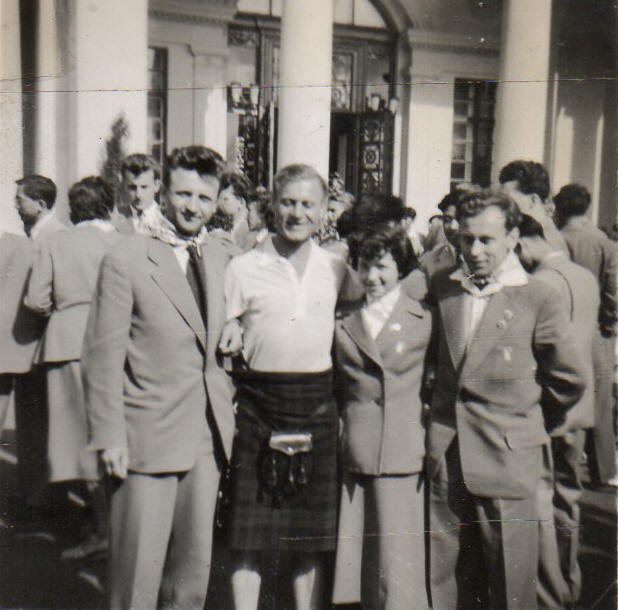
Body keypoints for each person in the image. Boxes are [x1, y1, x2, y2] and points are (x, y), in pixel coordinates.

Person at [82, 146, 237, 610]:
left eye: (204, 197)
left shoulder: (223, 254)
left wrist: (237, 327)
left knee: (190, 584)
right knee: (136, 583)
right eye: (183, 194)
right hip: (144, 440)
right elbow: (101, 358)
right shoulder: (127, 257)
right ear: (164, 192)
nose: (193, 206)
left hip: (207, 441)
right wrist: (109, 437)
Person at [427, 189, 586, 610]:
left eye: (487, 240)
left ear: (513, 236)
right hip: (449, 455)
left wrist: (526, 423)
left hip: (509, 457)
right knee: (446, 578)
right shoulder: (444, 288)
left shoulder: (538, 296)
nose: (475, 250)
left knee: (509, 584)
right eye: (466, 240)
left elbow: (570, 379)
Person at [219, 164, 352, 610]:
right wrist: (232, 325)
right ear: (272, 206)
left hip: (316, 403)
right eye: (288, 202)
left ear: (323, 211)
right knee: (247, 537)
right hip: (258, 404)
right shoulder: (242, 267)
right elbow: (223, 323)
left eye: (307, 204)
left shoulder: (338, 269)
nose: (297, 213)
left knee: (310, 539)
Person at [332, 224, 433, 609]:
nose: (372, 277)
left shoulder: (424, 319)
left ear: (400, 268)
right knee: (356, 568)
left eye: (382, 267)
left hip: (402, 451)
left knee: (397, 567)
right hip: (355, 449)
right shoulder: (342, 320)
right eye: (364, 266)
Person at [24, 176, 119, 560]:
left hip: (67, 343)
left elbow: (35, 298)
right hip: (113, 339)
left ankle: (101, 531)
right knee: (112, 434)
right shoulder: (120, 241)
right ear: (108, 206)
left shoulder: (56, 241)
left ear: (72, 209)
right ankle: (113, 527)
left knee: (80, 445)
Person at [517, 214, 599, 608]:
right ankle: (569, 584)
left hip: (554, 409)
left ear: (525, 242)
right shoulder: (584, 277)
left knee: (544, 510)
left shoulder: (540, 285)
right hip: (580, 410)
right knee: (568, 503)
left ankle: (552, 592)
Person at [554, 183, 618, 487]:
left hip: (561, 328)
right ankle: (603, 470)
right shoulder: (604, 243)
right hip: (594, 332)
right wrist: (608, 327)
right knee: (600, 402)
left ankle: (563, 465)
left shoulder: (555, 240)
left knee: (564, 395)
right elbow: (613, 293)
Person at [13, 174, 66, 508]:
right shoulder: (39, 233)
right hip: (32, 345)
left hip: (42, 343)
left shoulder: (52, 237)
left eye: (21, 200)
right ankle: (37, 490)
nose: (16, 205)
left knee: (41, 420)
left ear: (41, 204)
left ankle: (43, 495)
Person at [498, 160, 568, 255]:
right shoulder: (544, 234)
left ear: (533, 200)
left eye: (508, 201)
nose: (502, 208)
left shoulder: (543, 243)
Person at [115, 153, 166, 236]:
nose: (138, 195)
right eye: (132, 187)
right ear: (123, 186)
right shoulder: (115, 218)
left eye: (144, 187)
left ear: (156, 185)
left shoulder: (166, 218)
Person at [212, 170, 255, 250]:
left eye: (225, 199)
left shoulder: (246, 232)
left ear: (241, 202)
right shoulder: (233, 227)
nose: (219, 203)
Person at [14, 174, 66, 239]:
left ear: (41, 205)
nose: (16, 206)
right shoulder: (34, 232)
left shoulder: (58, 235)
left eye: (20, 201)